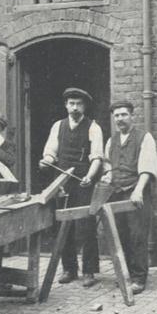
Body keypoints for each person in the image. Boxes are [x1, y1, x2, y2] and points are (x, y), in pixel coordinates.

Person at [39, 88, 104, 288]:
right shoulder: (58, 126)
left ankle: (89, 271)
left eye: (79, 104)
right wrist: (46, 161)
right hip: (63, 181)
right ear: (66, 105)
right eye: (71, 103)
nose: (75, 107)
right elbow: (51, 151)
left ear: (84, 106)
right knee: (62, 225)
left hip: (84, 180)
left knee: (86, 225)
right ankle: (69, 269)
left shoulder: (94, 127)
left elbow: (97, 157)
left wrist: (90, 176)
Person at [100, 100, 157, 294]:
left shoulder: (144, 138)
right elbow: (108, 164)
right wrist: (108, 174)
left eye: (124, 115)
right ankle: (125, 275)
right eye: (116, 115)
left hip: (136, 193)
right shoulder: (112, 141)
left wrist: (138, 190)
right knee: (121, 235)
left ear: (132, 116)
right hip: (116, 193)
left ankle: (139, 279)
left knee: (137, 236)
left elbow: (147, 168)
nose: (120, 119)